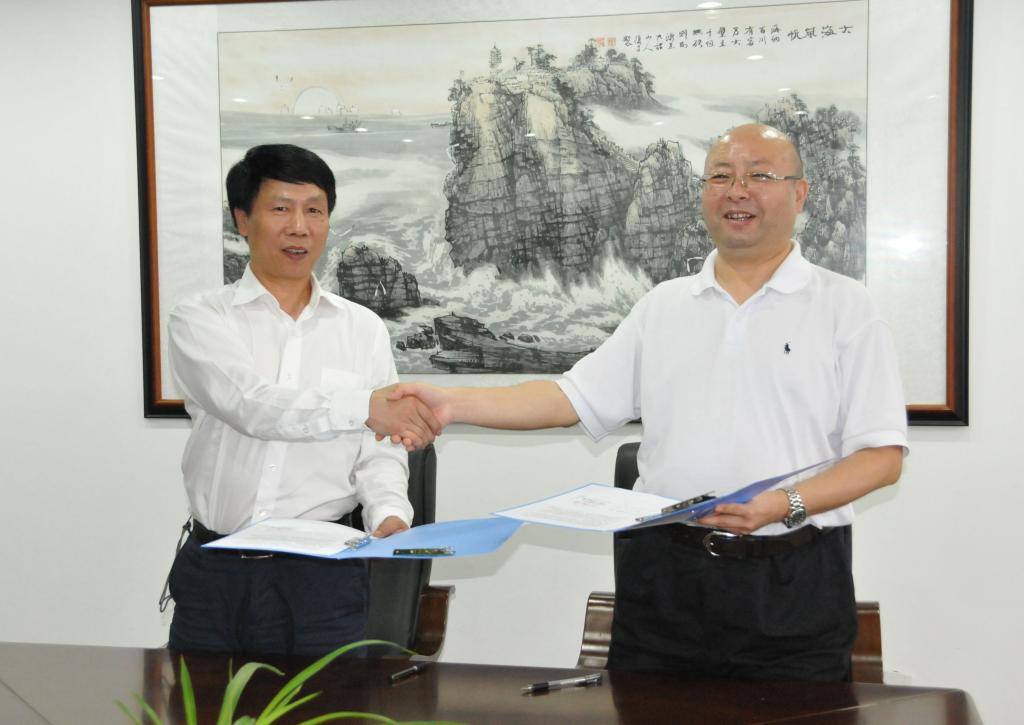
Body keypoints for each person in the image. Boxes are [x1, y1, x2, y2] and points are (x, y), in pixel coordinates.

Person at [389, 124, 907, 680]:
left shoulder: (845, 307)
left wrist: (785, 503)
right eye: (721, 176)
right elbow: (569, 397)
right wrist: (451, 403)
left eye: (759, 175)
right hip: (666, 579)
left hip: (794, 577)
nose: (737, 191)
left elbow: (881, 457)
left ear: (799, 193)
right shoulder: (664, 305)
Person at [164, 144, 442, 656]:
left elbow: (379, 446)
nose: (299, 227)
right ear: (242, 219)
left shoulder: (363, 328)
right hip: (218, 572)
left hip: (324, 579)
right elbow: (250, 405)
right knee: (199, 700)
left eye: (315, 210)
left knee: (333, 700)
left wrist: (390, 513)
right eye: (280, 209)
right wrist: (363, 406)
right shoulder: (200, 318)